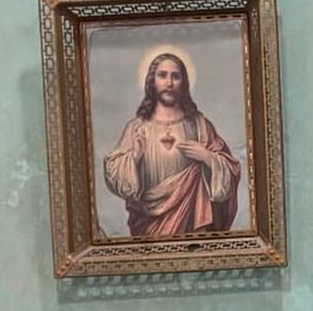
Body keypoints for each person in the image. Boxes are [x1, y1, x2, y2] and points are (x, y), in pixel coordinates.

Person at [102, 52, 241, 239]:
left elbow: (231, 169)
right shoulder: (136, 128)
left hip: (193, 226)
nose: (169, 83)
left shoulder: (200, 125)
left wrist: (207, 157)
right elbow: (115, 174)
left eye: (175, 76)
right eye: (162, 75)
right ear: (152, 81)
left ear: (183, 83)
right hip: (148, 224)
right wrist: (133, 158)